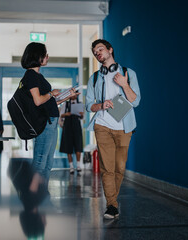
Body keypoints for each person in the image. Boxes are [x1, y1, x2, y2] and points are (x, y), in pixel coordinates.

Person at [85, 39, 141, 219]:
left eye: (100, 49)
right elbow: (88, 106)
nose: (97, 53)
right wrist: (101, 105)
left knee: (120, 167)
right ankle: (111, 206)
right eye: (95, 52)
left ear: (110, 50)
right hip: (102, 125)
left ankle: (112, 200)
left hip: (124, 127)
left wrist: (124, 84)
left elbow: (136, 101)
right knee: (107, 168)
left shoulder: (128, 73)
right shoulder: (94, 77)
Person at [20, 42, 79, 184]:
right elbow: (38, 101)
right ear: (37, 56)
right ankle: (33, 199)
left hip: (50, 122)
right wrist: (51, 93)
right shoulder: (31, 75)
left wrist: (67, 96)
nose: (47, 57)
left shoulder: (37, 76)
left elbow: (49, 103)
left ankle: (41, 195)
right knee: (40, 162)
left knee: (47, 163)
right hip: (44, 123)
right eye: (45, 54)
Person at [59, 93, 84, 174]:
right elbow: (61, 115)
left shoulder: (80, 104)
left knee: (78, 146)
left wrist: (81, 115)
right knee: (68, 147)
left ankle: (78, 166)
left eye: (75, 95)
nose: (74, 96)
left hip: (77, 127)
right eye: (73, 94)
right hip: (68, 127)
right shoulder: (65, 104)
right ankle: (71, 167)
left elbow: (83, 118)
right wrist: (66, 114)